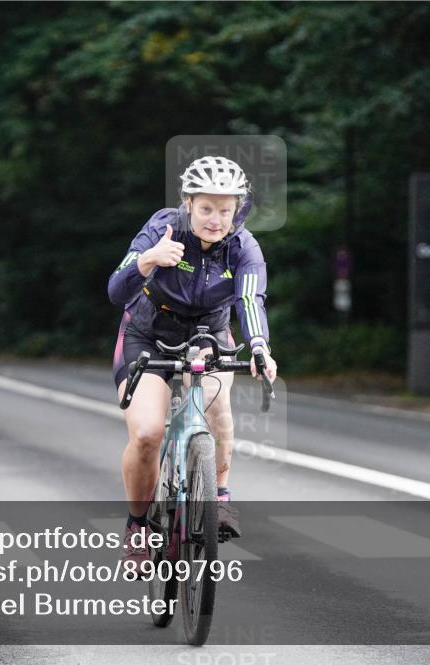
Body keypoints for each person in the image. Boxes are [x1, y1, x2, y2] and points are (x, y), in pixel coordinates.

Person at [108, 155, 278, 565]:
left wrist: (259, 346)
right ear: (188, 203)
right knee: (147, 433)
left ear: (238, 210)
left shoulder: (243, 247)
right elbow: (116, 289)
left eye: (225, 210)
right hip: (147, 333)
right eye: (206, 208)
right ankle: (138, 525)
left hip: (208, 334)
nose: (215, 220)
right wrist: (148, 259)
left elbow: (250, 299)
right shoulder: (162, 229)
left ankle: (219, 496)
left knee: (216, 407)